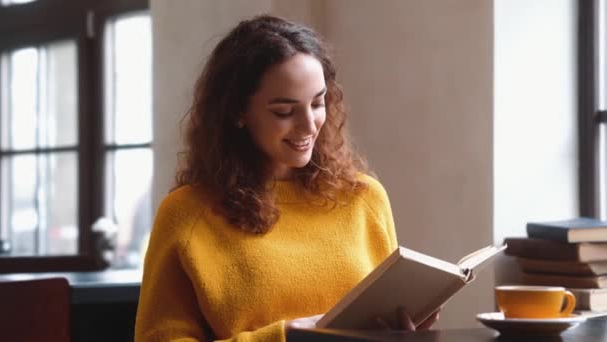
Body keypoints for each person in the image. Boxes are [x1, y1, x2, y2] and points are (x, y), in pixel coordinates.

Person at [135, 14, 439, 342]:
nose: (309, 125)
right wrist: (287, 335)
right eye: (284, 111)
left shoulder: (365, 198)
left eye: (318, 103)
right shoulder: (187, 213)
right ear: (238, 111)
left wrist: (402, 332)